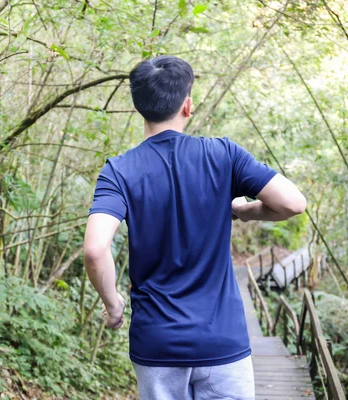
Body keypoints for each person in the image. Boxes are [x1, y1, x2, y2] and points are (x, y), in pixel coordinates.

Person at [83, 56, 306, 400]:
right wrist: (244, 211)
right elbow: (292, 203)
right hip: (223, 341)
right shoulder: (223, 154)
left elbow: (96, 249)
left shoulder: (119, 171)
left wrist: (113, 306)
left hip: (157, 345)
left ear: (139, 106)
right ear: (187, 105)